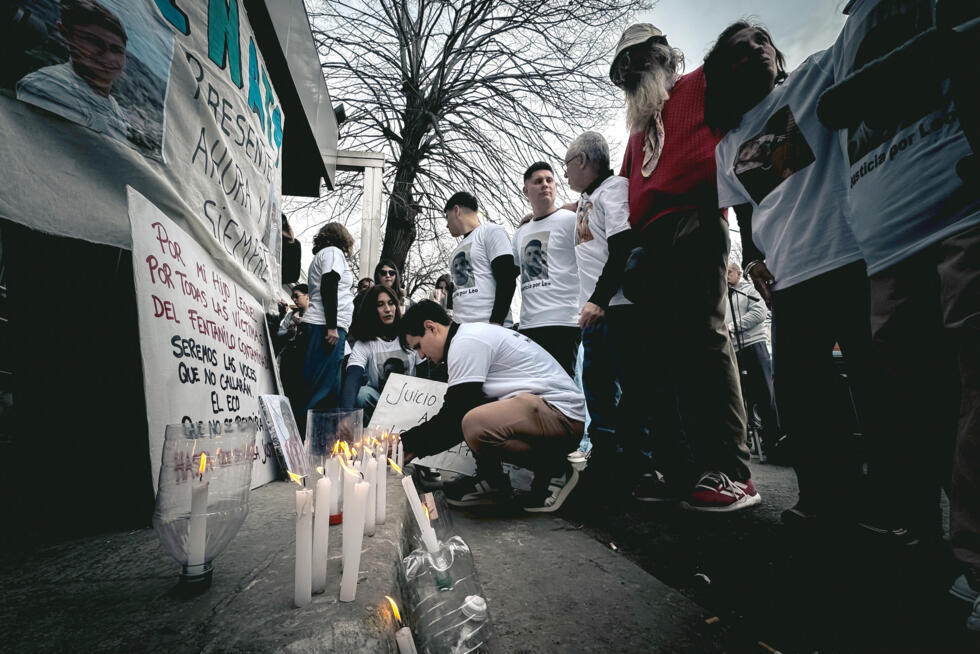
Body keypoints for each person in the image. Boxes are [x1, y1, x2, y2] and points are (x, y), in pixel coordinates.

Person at [822, 0, 980, 628]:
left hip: (962, 203)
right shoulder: (850, 25)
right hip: (887, 239)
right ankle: (965, 549)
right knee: (921, 399)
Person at [612, 23, 757, 512]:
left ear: (662, 57)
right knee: (665, 357)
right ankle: (686, 468)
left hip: (696, 219)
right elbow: (623, 189)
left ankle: (733, 472)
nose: (628, 77)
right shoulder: (637, 128)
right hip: (651, 239)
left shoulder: (699, 84)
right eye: (621, 72)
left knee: (705, 342)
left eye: (634, 63)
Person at [398, 301, 586, 512]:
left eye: (418, 346)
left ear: (431, 327)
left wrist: (407, 444)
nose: (421, 356)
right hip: (550, 413)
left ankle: (555, 471)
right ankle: (494, 483)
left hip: (561, 416)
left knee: (473, 422)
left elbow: (454, 417)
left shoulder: (465, 342)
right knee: (476, 413)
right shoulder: (466, 338)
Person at [562, 131, 654, 499]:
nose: (565, 175)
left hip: (617, 310)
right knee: (597, 390)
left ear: (582, 161)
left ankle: (640, 466)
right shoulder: (589, 198)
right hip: (594, 313)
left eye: (567, 165)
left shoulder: (614, 189)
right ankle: (605, 463)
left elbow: (621, 246)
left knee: (630, 390)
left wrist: (600, 299)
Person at [16, 0, 129, 140]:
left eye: (116, 50)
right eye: (94, 41)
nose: (108, 56)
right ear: (66, 34)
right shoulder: (46, 87)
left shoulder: (114, 108)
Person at [512, 163, 581, 377]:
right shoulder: (520, 232)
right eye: (538, 181)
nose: (545, 185)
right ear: (526, 190)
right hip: (528, 325)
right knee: (533, 390)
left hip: (564, 321)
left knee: (563, 389)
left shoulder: (572, 221)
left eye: (549, 180)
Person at [297, 223, 355, 430]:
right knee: (324, 390)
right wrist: (332, 326)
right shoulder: (333, 253)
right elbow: (329, 284)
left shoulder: (322, 254)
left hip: (321, 326)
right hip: (325, 327)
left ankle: (315, 441)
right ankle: (314, 443)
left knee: (321, 388)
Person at [723, 263, 779, 454]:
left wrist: (733, 326)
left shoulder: (749, 290)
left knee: (764, 392)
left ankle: (772, 439)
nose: (726, 276)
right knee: (738, 394)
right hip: (734, 349)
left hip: (754, 345)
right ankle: (743, 440)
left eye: (729, 272)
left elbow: (759, 312)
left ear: (738, 273)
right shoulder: (724, 295)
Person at [340, 285, 416, 424]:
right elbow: (353, 377)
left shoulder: (409, 334)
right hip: (381, 403)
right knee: (362, 395)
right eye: (380, 305)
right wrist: (346, 416)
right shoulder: (365, 343)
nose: (387, 309)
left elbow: (425, 374)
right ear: (371, 310)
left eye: (391, 303)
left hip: (413, 402)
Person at [442, 191, 518, 325]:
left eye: (447, 217)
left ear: (456, 210)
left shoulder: (491, 231)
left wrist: (496, 322)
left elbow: (507, 278)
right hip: (463, 330)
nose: (447, 225)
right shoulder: (456, 251)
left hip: (490, 326)